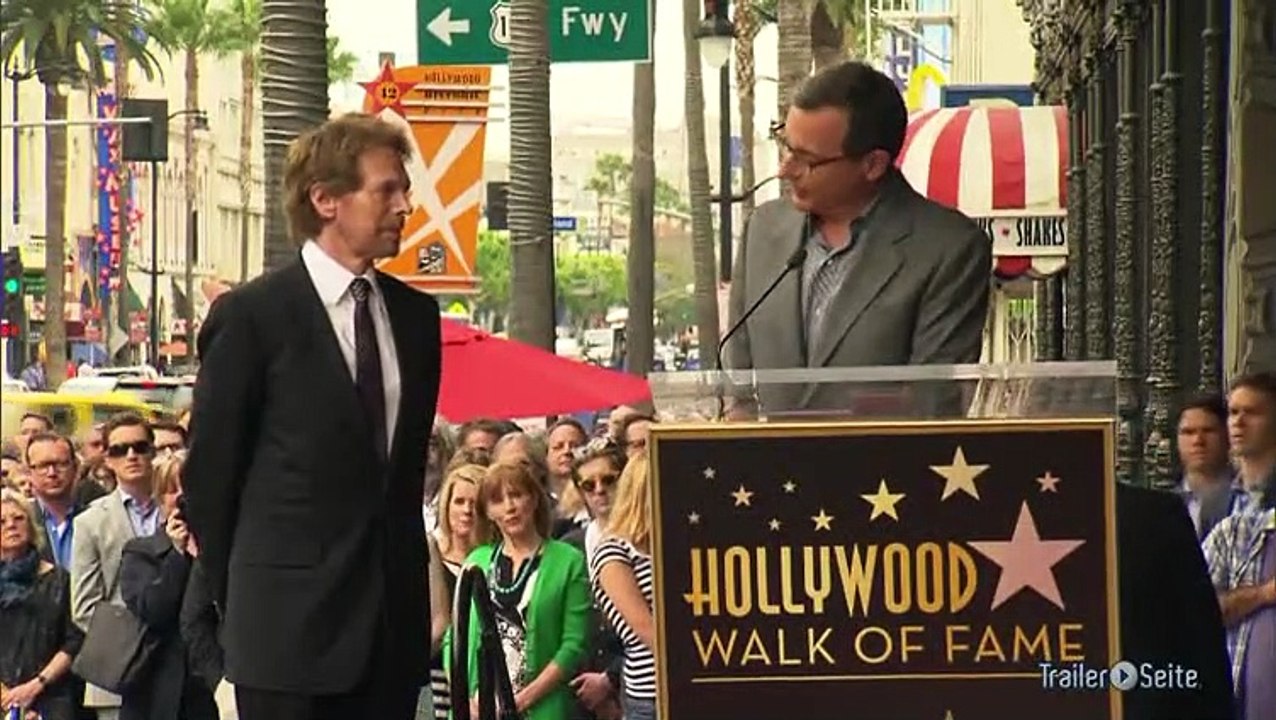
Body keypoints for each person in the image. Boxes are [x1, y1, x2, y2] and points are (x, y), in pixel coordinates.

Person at [183, 113, 442, 720]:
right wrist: (251, 599)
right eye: (387, 189)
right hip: (285, 641)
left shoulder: (414, 320)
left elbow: (399, 483)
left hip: (391, 641)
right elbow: (211, 482)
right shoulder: (252, 319)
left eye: (404, 189)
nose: (406, 205)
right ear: (325, 199)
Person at [725, 61, 990, 413]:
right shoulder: (763, 229)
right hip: (761, 466)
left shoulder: (948, 249)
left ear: (873, 165)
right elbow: (737, 385)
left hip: (883, 465)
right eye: (786, 146)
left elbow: (933, 404)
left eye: (807, 160)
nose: (785, 169)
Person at [447, 462, 592, 720]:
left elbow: (574, 644)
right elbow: (453, 638)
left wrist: (521, 700)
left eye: (516, 495)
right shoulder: (477, 561)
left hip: (540, 707)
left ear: (534, 498)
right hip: (478, 709)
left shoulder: (568, 561)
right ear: (488, 511)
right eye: (497, 500)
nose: (509, 507)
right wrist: (465, 698)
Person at [118, 455, 217, 720]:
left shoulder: (222, 549)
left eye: (189, 487)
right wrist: (177, 553)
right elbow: (154, 609)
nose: (183, 497)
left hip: (212, 684)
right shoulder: (141, 551)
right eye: (173, 490)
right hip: (160, 691)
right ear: (159, 500)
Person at [0, 489, 84, 720]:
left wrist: (36, 685)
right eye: (2, 521)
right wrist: (8, 698)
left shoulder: (58, 579)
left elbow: (74, 640)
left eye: (19, 518)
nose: (11, 525)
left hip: (52, 696)